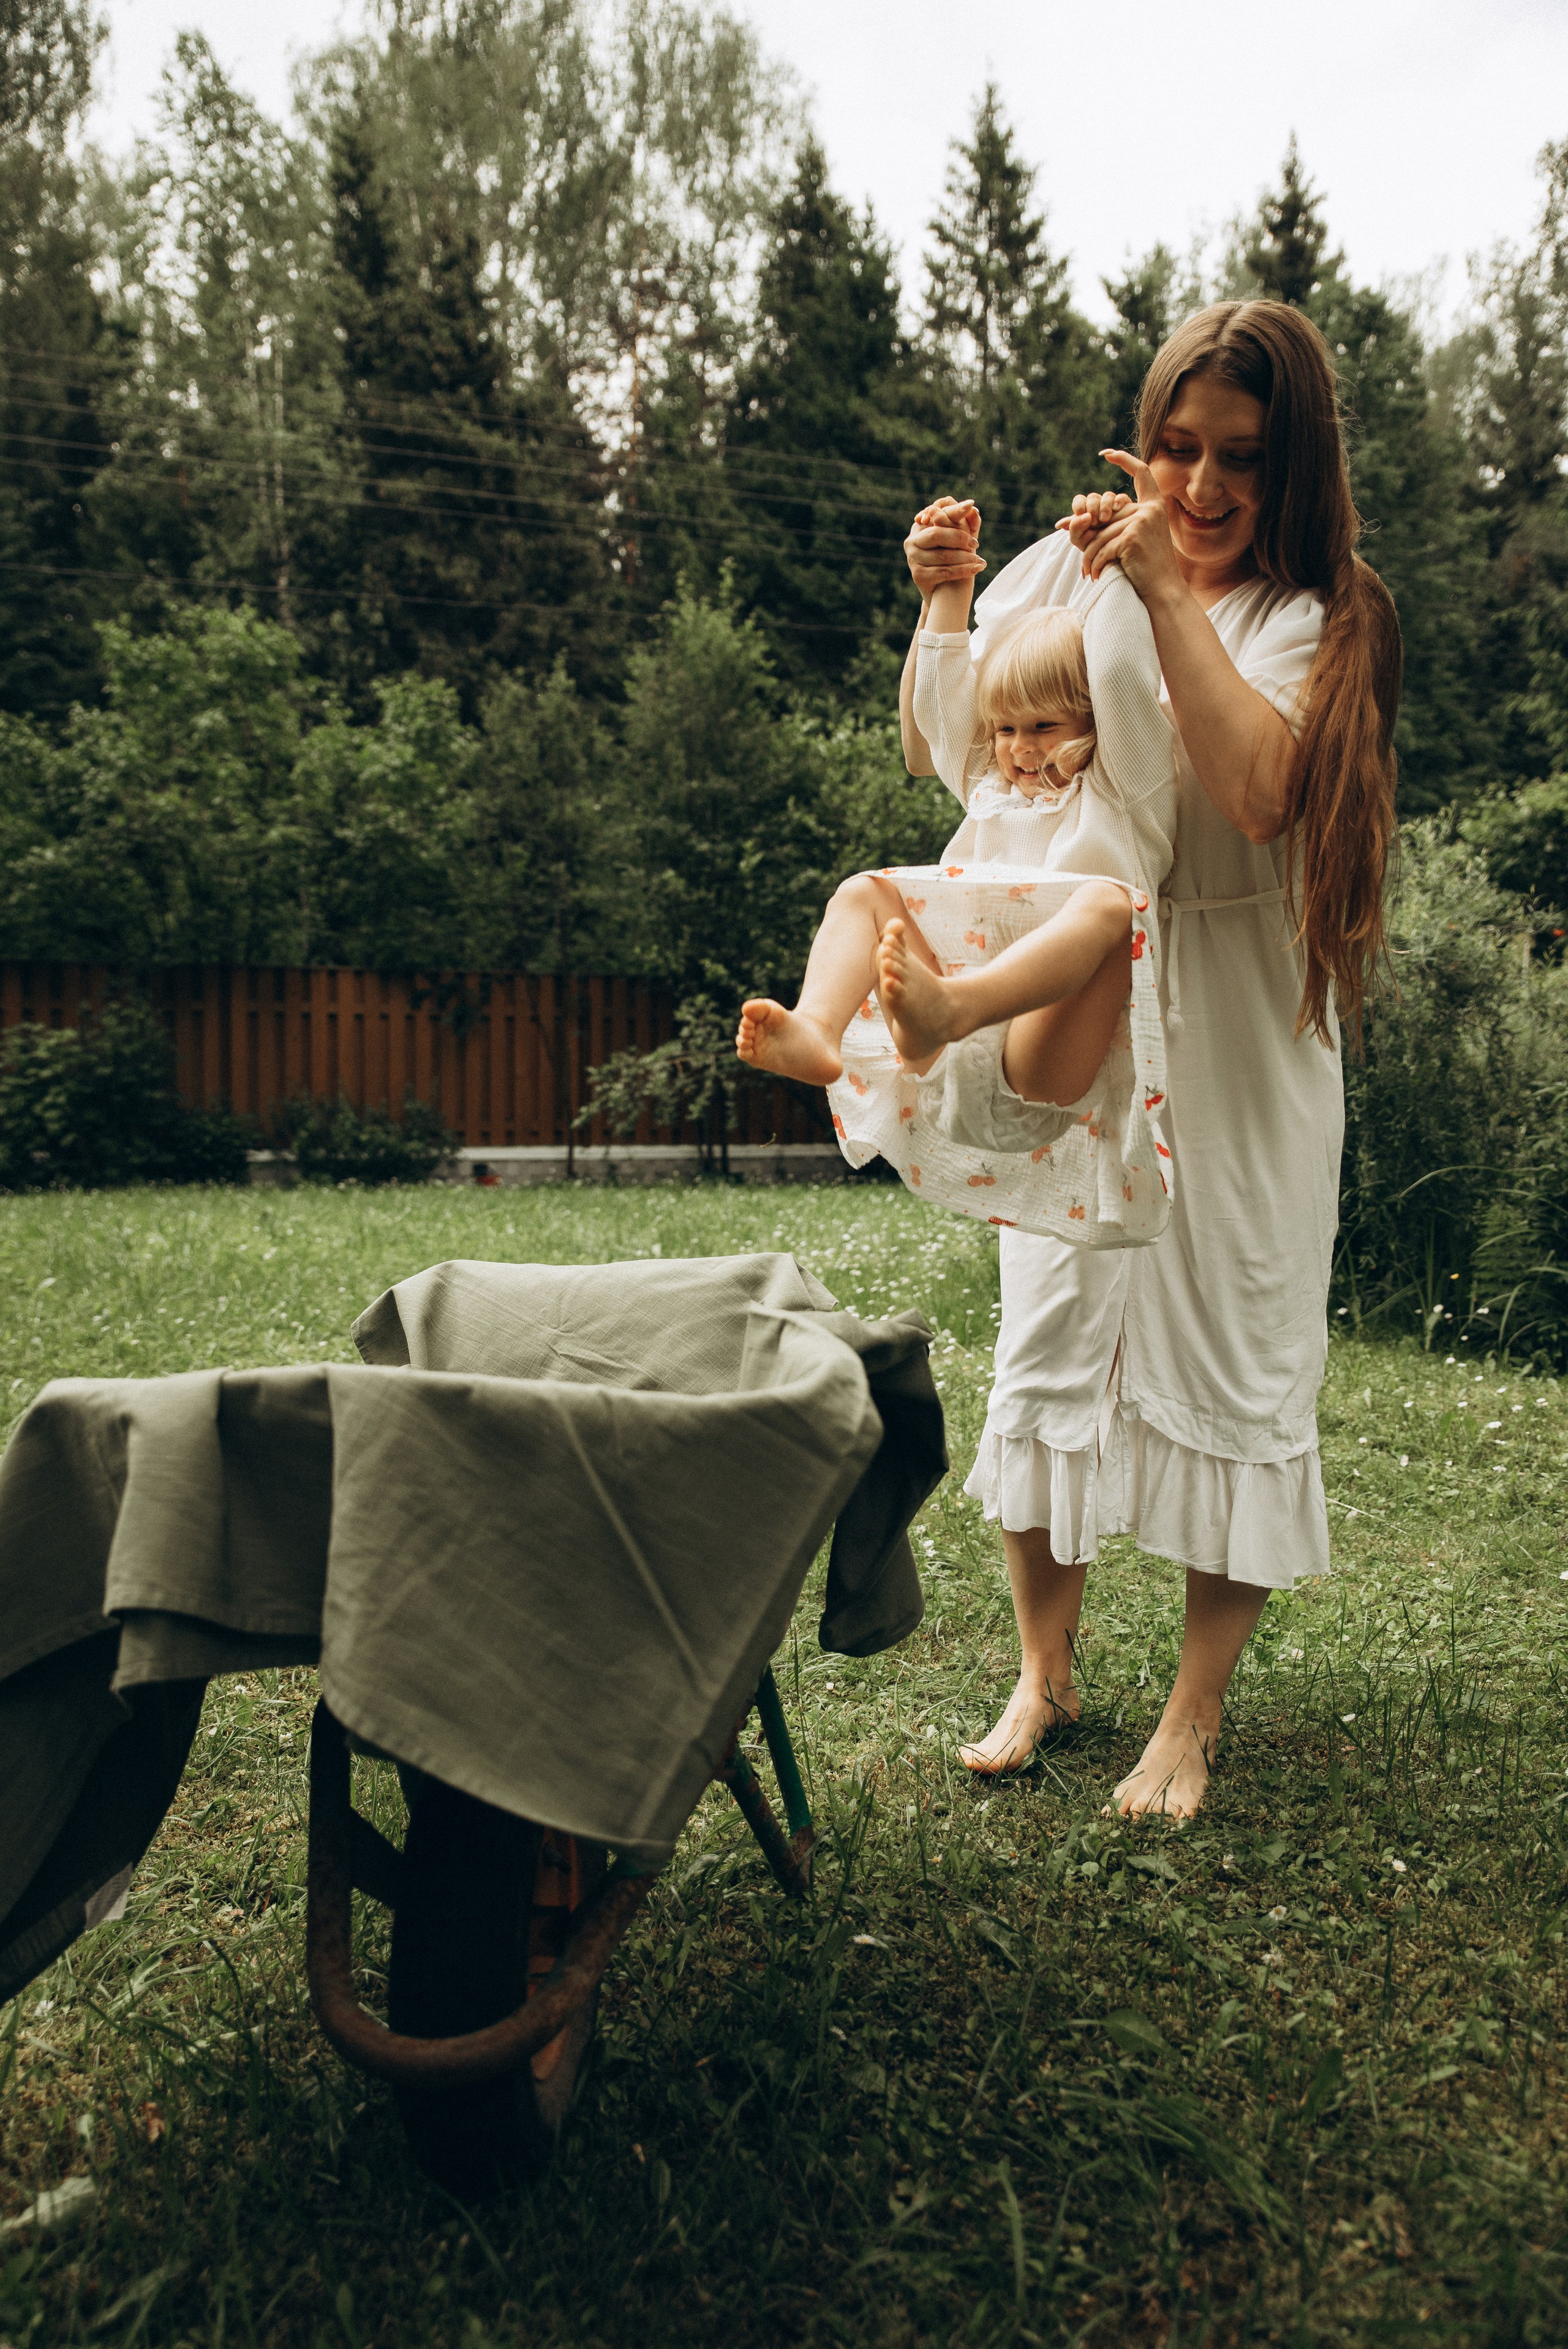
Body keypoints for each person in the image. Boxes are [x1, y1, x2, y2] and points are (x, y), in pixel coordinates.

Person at [902, 299, 1401, 1811]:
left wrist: (1163, 592)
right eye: (1176, 447)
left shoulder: (1319, 615)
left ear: (1293, 464)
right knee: (1051, 1322)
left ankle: (1189, 1714)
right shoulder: (1077, 564)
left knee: (1228, 1336)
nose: (1197, 485)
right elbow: (972, 750)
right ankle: (1042, 1669)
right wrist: (947, 603)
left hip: (1238, 1021)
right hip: (1082, 985)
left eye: (1237, 456)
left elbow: (1252, 797)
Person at [737, 505, 1178, 1246]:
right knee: (864, 891)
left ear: (1092, 723)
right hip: (940, 1060)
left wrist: (1111, 562)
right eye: (1006, 728)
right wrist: (949, 590)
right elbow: (943, 708)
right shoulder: (988, 786)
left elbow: (1122, 678)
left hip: (1038, 1070)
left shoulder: (1121, 793)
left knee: (1109, 904)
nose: (1020, 748)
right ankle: (818, 1027)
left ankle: (957, 1003)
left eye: (1045, 727)